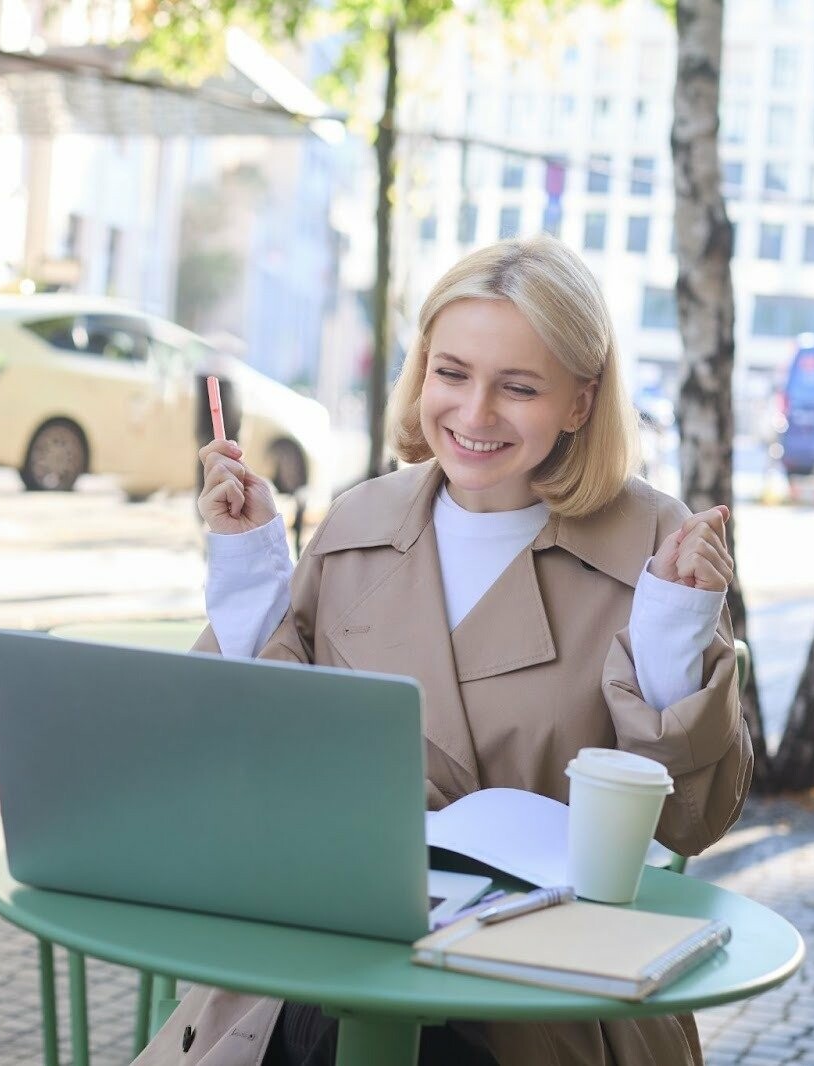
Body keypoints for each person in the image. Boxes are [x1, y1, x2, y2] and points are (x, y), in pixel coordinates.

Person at [136, 235, 751, 1066]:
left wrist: (675, 629)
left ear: (581, 401)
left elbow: (689, 816)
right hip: (326, 959)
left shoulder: (653, 544)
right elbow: (259, 750)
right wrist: (248, 567)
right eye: (451, 373)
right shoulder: (360, 521)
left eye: (519, 387)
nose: (473, 414)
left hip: (544, 994)